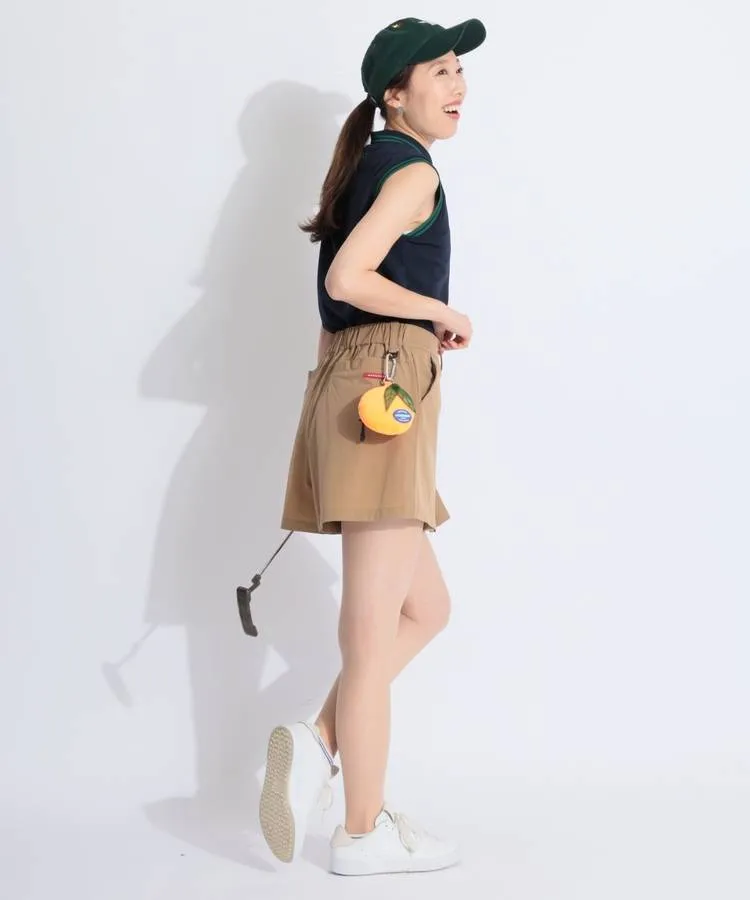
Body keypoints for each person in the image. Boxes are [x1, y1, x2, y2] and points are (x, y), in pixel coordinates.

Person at [258, 16, 487, 876]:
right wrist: (440, 312)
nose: (459, 85)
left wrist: (330, 412)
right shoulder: (412, 171)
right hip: (384, 385)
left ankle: (320, 741)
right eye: (441, 70)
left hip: (350, 386)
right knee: (369, 629)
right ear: (395, 93)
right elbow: (347, 279)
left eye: (460, 69)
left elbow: (331, 316)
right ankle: (360, 832)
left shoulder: (364, 168)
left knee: (425, 607)